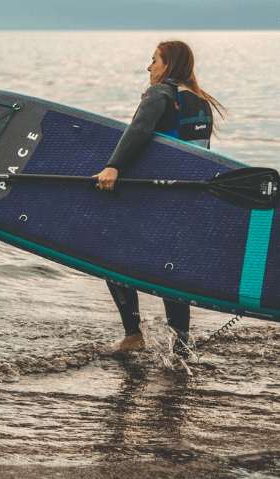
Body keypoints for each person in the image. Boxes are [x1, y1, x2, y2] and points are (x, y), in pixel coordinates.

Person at [95, 40, 225, 357]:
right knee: (171, 268)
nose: (149, 66)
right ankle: (180, 344)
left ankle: (132, 335)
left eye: (154, 60)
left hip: (154, 198)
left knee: (111, 255)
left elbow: (138, 131)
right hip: (186, 199)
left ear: (167, 64)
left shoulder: (159, 94)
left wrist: (113, 165)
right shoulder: (201, 101)